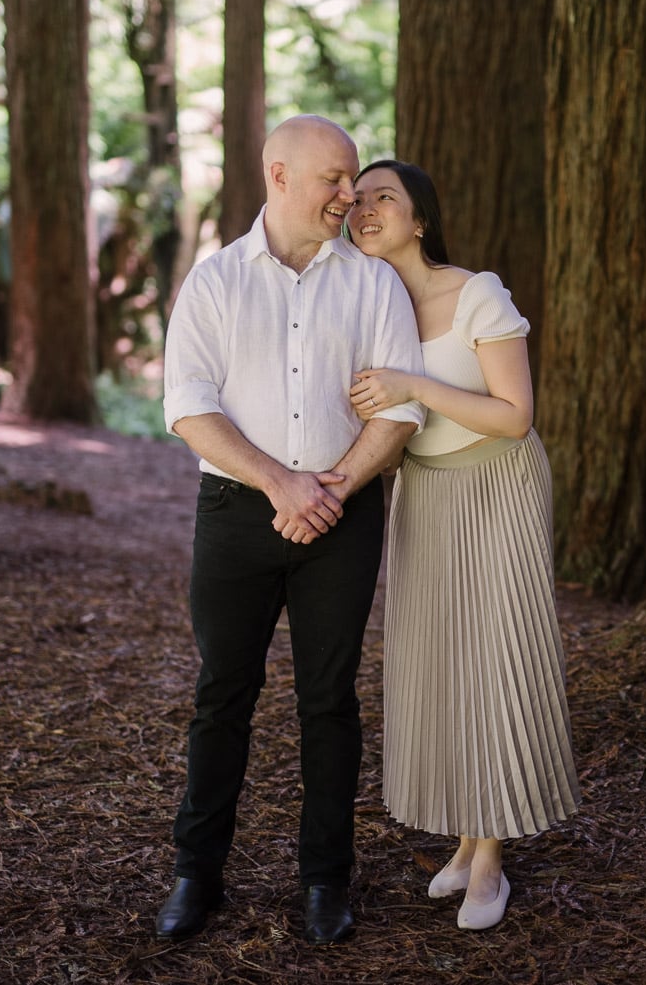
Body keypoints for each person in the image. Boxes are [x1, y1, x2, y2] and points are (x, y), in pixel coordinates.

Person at [157, 118, 425, 944]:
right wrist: (280, 481)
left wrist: (330, 487)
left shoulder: (374, 283)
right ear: (279, 175)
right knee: (221, 698)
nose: (352, 195)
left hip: (343, 516)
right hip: (236, 516)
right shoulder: (214, 282)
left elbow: (403, 407)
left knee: (329, 702)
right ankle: (196, 875)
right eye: (335, 180)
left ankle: (325, 882)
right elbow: (188, 407)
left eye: (354, 180)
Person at [344, 160, 580, 931]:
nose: (365, 206)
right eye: (360, 197)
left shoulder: (476, 290)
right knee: (442, 661)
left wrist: (414, 384)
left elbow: (514, 414)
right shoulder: (367, 304)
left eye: (386, 196)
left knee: (495, 656)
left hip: (496, 484)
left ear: (420, 221)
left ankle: (491, 858)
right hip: (425, 493)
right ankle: (466, 832)